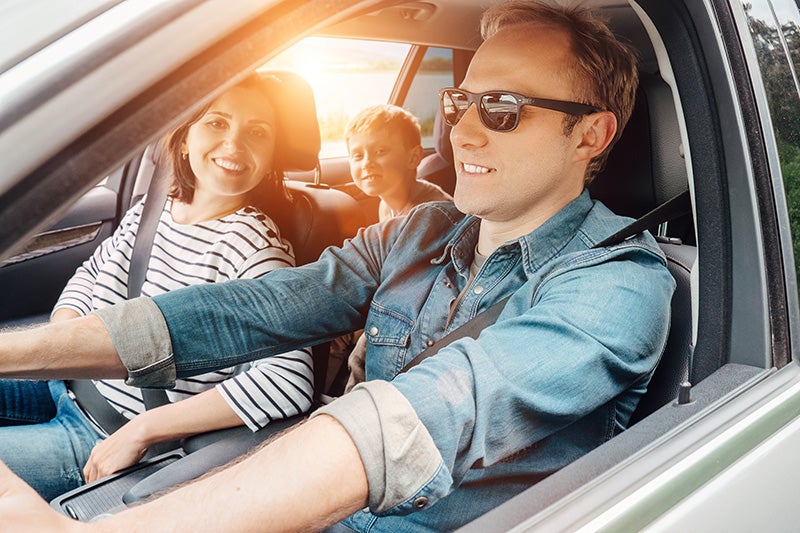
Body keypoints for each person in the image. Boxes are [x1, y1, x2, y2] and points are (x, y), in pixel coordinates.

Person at [0, 2, 676, 531]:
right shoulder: (422, 229)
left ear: (591, 134)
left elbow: (425, 414)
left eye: (501, 110)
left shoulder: (618, 283)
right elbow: (244, 311)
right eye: (461, 102)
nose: (461, 133)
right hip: (318, 504)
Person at [0, 72, 314, 501]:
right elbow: (89, 274)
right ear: (184, 138)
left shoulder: (256, 248)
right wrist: (63, 342)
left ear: (273, 153)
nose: (234, 146)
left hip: (104, 432)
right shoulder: (155, 211)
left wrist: (143, 430)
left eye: (257, 133)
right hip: (66, 385)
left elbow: (288, 381)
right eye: (217, 123)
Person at [330, 104, 454, 392]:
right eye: (357, 155)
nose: (367, 163)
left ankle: (352, 400)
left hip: (424, 313)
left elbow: (414, 287)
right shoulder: (388, 204)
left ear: (413, 157)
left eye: (380, 152)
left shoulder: (431, 214)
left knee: (364, 345)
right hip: (401, 299)